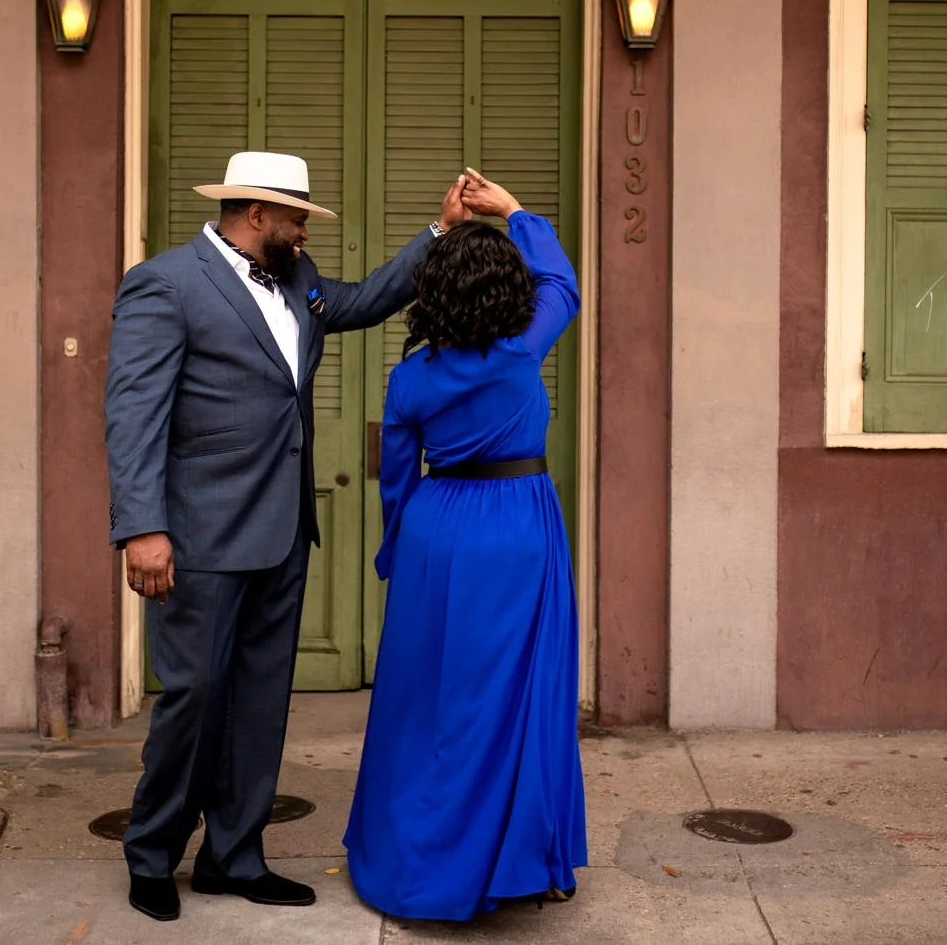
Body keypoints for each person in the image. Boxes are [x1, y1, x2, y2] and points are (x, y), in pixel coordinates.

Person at [105, 150, 472, 923]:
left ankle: (234, 857)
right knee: (194, 699)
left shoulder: (299, 282)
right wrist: (142, 529)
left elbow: (368, 299)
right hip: (197, 536)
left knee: (262, 703)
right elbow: (133, 415)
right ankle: (151, 853)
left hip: (281, 533)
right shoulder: (165, 284)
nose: (306, 232)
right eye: (298, 217)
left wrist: (439, 231)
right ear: (256, 214)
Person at [343, 168, 586, 921]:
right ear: (503, 292)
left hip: (436, 529)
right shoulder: (522, 348)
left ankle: (419, 860)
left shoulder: (410, 377)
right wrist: (513, 211)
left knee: (425, 701)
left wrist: (399, 551)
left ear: (432, 295)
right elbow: (563, 283)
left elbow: (395, 478)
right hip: (516, 524)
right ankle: (523, 860)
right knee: (519, 699)